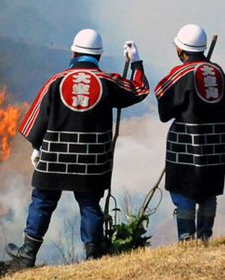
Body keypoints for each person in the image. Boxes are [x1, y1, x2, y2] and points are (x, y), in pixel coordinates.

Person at [8, 29, 150, 267]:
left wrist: (36, 146)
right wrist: (136, 61)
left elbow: (38, 117)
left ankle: (28, 254)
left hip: (54, 158)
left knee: (42, 201)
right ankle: (93, 257)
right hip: (91, 160)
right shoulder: (108, 82)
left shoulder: (56, 81)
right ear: (99, 56)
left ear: (73, 52)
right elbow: (139, 89)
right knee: (89, 205)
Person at [155, 23, 225, 241]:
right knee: (208, 191)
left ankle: (186, 238)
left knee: (184, 191)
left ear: (181, 50)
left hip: (186, 147)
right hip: (215, 147)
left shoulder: (181, 73)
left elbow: (164, 108)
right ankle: (205, 235)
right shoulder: (219, 73)